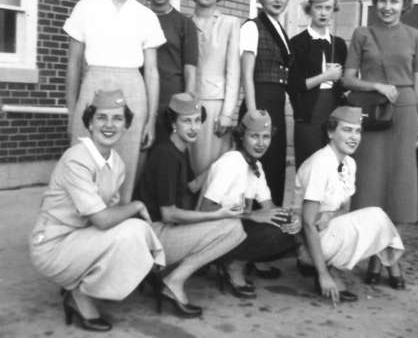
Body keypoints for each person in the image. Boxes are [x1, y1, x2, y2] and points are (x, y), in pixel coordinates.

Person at [29, 90, 165, 332]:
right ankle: (79, 294)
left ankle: (81, 284)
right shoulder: (77, 159)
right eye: (102, 117)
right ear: (90, 123)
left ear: (126, 125)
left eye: (117, 118)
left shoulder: (117, 164)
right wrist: (136, 205)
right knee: (133, 230)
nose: (109, 125)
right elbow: (103, 220)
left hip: (80, 238)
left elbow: (109, 217)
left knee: (134, 231)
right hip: (52, 245)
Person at [342, 0, 418, 286]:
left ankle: (391, 262)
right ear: (375, 2)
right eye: (382, 1)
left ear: (403, 4)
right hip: (374, 116)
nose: (387, 7)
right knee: (371, 188)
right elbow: (347, 79)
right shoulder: (362, 34)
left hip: (404, 116)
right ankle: (375, 259)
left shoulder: (415, 36)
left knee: (399, 190)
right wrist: (376, 84)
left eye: (393, 1)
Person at [64, 0, 166, 203]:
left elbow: (152, 72)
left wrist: (151, 120)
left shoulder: (146, 16)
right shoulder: (86, 7)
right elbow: (74, 63)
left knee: (127, 164)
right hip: (93, 87)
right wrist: (72, 110)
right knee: (86, 162)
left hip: (133, 90)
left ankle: (118, 226)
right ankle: (84, 227)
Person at [134, 92, 245, 318]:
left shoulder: (178, 149)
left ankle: (169, 275)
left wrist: (223, 158)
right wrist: (217, 215)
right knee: (233, 229)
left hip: (161, 230)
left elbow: (192, 186)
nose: (194, 127)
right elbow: (169, 214)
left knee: (232, 224)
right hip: (153, 234)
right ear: (173, 123)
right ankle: (173, 281)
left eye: (196, 120)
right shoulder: (166, 155)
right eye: (186, 121)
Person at [294, 106, 405, 306]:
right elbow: (308, 224)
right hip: (309, 245)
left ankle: (335, 269)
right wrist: (322, 275)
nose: (354, 137)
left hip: (329, 236)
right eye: (346, 130)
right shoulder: (320, 163)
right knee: (376, 216)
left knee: (373, 221)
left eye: (357, 131)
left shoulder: (349, 164)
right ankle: (325, 271)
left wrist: (330, 214)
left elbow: (345, 211)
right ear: (330, 132)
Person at [198, 110, 300, 299]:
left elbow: (270, 209)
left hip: (234, 227)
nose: (261, 143)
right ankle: (232, 265)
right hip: (213, 231)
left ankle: (239, 260)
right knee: (272, 230)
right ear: (241, 136)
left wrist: (293, 219)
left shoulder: (255, 165)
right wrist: (252, 216)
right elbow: (206, 209)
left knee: (286, 224)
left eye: (266, 137)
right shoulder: (232, 162)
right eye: (254, 136)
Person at [239, 0, 292, 208]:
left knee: (274, 164)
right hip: (259, 100)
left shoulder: (280, 29)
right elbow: (247, 74)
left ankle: (272, 216)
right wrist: (252, 112)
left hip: (276, 103)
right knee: (255, 164)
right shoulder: (252, 27)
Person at [188, 0, 240, 177]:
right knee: (188, 167)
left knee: (210, 169)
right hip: (188, 106)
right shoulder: (184, 23)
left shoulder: (229, 23)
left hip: (215, 107)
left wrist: (228, 113)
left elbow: (233, 72)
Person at [288, 0, 347, 169]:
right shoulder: (298, 43)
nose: (323, 13)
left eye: (328, 8)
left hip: (334, 114)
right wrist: (325, 76)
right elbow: (293, 85)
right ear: (309, 9)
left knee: (333, 170)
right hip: (308, 115)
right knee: (309, 168)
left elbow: (344, 84)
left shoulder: (339, 44)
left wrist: (341, 79)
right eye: (318, 7)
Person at [144, 0, 198, 143]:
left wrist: (186, 105)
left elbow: (190, 69)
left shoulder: (185, 24)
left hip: (171, 102)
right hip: (142, 97)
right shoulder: (138, 18)